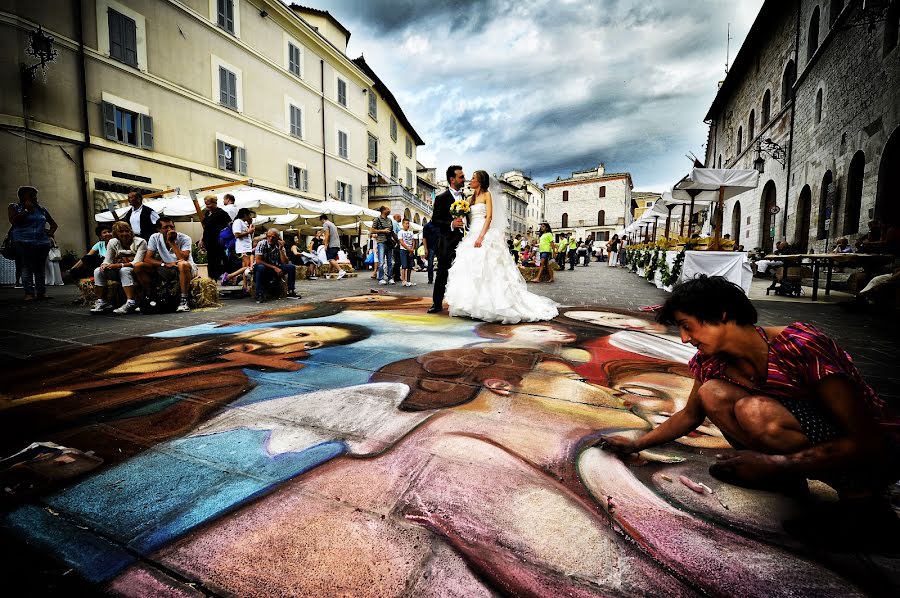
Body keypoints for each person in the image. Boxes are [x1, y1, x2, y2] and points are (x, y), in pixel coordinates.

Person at [599, 275, 900, 511]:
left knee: (755, 410)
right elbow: (690, 415)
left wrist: (772, 463)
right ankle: (786, 483)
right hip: (813, 446)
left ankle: (864, 502)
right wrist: (636, 444)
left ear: (722, 314)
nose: (685, 338)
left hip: (874, 453)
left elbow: (866, 439)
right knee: (712, 393)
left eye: (687, 326)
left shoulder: (800, 344)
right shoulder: (711, 362)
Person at [445, 171, 558, 323]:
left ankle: (492, 305)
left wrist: (481, 236)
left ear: (480, 181)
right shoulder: (470, 198)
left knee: (489, 267)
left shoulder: (487, 195)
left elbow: (489, 217)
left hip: (483, 233)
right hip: (472, 233)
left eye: (473, 178)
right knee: (470, 267)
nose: (470, 180)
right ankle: (471, 305)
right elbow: (469, 218)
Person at [134, 217, 198, 313]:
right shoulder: (154, 237)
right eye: (166, 227)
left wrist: (171, 242)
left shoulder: (185, 238)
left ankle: (184, 300)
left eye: (172, 227)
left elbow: (183, 258)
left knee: (182, 264)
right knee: (138, 266)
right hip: (167, 268)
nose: (169, 230)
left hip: (186, 268)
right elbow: (147, 259)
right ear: (159, 229)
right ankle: (150, 297)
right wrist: (165, 264)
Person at [8, 185, 57, 300]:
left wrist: (49, 233)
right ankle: (29, 293)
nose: (34, 198)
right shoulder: (14, 207)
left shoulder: (41, 210)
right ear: (22, 196)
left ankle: (41, 292)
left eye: (35, 195)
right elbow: (13, 221)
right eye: (31, 195)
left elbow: (54, 224)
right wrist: (26, 210)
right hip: (22, 241)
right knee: (26, 266)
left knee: (40, 268)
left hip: (42, 242)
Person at [429, 166, 467, 312]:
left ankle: (460, 304)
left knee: (463, 272)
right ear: (452, 179)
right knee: (442, 273)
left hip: (464, 242)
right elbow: (435, 221)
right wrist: (451, 224)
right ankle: (437, 304)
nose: (464, 179)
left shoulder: (464, 197)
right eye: (461, 177)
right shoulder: (441, 198)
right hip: (446, 241)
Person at [90, 221, 147, 314]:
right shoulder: (112, 242)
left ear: (131, 231)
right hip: (119, 268)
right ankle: (102, 302)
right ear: (116, 234)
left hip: (137, 270)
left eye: (127, 231)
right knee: (98, 271)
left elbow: (137, 262)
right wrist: (104, 265)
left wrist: (119, 265)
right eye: (121, 232)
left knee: (124, 270)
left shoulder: (140, 242)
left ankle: (131, 302)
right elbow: (108, 259)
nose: (125, 234)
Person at [253, 228, 298, 302]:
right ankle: (259, 294)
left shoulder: (279, 245)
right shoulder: (262, 244)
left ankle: (291, 291)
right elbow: (258, 261)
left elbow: (285, 262)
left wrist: (281, 250)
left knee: (291, 267)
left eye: (273, 237)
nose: (271, 239)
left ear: (277, 238)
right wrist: (274, 267)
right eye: (269, 236)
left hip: (276, 265)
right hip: (264, 266)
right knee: (261, 267)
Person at [199, 195, 233, 281]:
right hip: (208, 240)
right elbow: (206, 228)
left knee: (217, 259)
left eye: (209, 204)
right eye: (206, 204)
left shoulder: (221, 213)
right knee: (210, 259)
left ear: (215, 203)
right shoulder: (207, 213)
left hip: (217, 240)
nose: (207, 206)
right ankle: (211, 278)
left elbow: (229, 225)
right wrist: (202, 239)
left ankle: (217, 277)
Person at [223, 208, 255, 289]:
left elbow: (248, 234)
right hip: (243, 248)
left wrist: (250, 225)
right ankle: (230, 276)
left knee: (246, 268)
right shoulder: (237, 222)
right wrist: (248, 232)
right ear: (245, 215)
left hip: (246, 247)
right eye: (249, 215)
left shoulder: (243, 223)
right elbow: (237, 235)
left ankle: (245, 287)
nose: (250, 217)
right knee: (248, 267)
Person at [371, 206, 395, 286]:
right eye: (388, 209)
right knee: (381, 261)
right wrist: (383, 231)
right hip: (381, 242)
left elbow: (392, 231)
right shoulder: (377, 219)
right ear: (383, 211)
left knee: (390, 262)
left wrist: (396, 240)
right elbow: (372, 230)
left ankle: (390, 278)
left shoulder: (390, 220)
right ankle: (381, 278)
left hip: (389, 242)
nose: (389, 210)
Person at [319, 214, 346, 280]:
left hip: (332, 244)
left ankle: (341, 271)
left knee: (330, 259)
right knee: (332, 259)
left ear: (322, 219)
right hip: (337, 244)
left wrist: (325, 244)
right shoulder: (332, 224)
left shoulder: (325, 224)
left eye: (321, 221)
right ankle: (328, 273)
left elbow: (327, 235)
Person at [397, 218, 416, 287]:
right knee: (404, 266)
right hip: (403, 250)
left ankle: (408, 280)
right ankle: (403, 280)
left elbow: (413, 241)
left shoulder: (411, 232)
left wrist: (412, 249)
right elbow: (401, 242)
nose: (407, 225)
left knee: (410, 266)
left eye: (408, 223)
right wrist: (409, 249)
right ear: (403, 224)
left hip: (410, 250)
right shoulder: (400, 232)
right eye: (406, 223)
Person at [421, 220, 439, 284]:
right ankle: (430, 279)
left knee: (441, 263)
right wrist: (425, 249)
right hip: (430, 247)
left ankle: (439, 278)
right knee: (430, 264)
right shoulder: (427, 226)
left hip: (439, 247)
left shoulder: (439, 224)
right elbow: (424, 238)